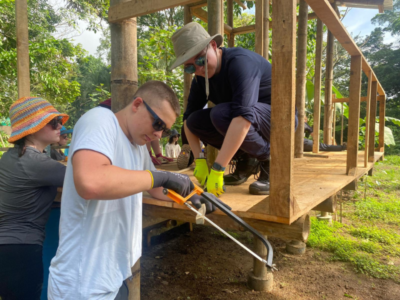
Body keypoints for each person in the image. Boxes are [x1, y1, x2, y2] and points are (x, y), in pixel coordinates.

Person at [48, 81, 224, 300]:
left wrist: (194, 195)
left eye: (165, 129)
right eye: (158, 123)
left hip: (114, 276)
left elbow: (157, 188)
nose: (160, 135)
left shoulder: (138, 146)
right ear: (137, 104)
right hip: (83, 283)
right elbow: (90, 182)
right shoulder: (100, 120)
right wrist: (162, 176)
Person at [170, 22, 298, 196]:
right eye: (190, 67)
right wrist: (199, 161)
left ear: (213, 46)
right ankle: (246, 160)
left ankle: (271, 162)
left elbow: (242, 118)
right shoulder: (200, 80)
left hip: (280, 121)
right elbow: (188, 120)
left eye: (201, 60)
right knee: (196, 121)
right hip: (246, 120)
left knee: (221, 114)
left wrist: (217, 169)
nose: (198, 69)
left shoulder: (240, 63)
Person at [0, 97, 68, 300]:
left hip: (8, 248)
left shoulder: (10, 157)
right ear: (33, 127)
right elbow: (88, 180)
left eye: (59, 121)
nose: (60, 126)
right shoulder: (37, 163)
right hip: (22, 251)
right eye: (53, 122)